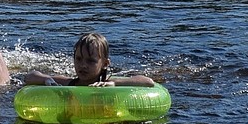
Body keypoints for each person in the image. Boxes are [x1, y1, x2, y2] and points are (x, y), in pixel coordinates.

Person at [23, 31, 155, 87]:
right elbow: (29, 77)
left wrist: (115, 84)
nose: (83, 65)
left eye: (91, 61)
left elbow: (148, 82)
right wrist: (47, 80)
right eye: (79, 59)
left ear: (105, 64)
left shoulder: (107, 83)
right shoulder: (70, 83)